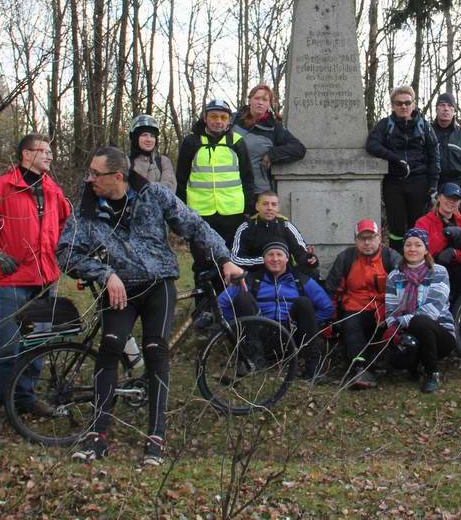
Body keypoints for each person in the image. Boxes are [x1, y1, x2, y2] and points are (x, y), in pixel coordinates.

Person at [58, 146, 242, 464]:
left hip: (159, 284)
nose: (90, 179)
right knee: (110, 347)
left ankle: (156, 437)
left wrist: (224, 258)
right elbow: (65, 252)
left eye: (96, 174)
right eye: (90, 173)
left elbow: (194, 225)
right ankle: (96, 436)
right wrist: (105, 274)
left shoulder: (154, 195)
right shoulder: (87, 207)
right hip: (120, 289)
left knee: (156, 351)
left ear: (118, 176)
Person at [0, 134, 71, 438]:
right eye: (44, 151)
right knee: (8, 343)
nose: (50, 156)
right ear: (26, 154)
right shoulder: (3, 187)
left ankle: (25, 398)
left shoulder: (52, 189)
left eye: (50, 151)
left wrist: (64, 254)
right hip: (15, 280)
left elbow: (66, 224)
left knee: (39, 342)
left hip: (46, 280)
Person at [218, 240, 335, 380]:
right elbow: (221, 303)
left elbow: (327, 308)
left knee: (303, 302)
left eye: (279, 254)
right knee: (243, 297)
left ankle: (312, 368)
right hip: (258, 334)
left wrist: (307, 324)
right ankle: (256, 361)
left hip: (292, 336)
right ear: (264, 259)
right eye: (270, 255)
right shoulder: (250, 280)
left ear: (287, 258)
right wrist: (236, 325)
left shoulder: (301, 280)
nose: (275, 259)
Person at [176, 98, 256, 283]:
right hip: (200, 214)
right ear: (205, 118)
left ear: (229, 120)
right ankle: (205, 300)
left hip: (232, 213)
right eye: (213, 116)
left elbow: (247, 178)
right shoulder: (191, 142)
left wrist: (248, 208)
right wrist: (181, 212)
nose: (218, 121)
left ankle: (229, 299)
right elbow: (181, 179)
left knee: (231, 261)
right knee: (203, 262)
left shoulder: (237, 142)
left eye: (223, 117)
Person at [324, 219, 402, 390]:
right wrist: (329, 320)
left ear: (379, 238)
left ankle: (385, 364)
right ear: (355, 241)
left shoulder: (391, 257)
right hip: (355, 309)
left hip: (384, 311)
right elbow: (331, 291)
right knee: (351, 322)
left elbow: (404, 290)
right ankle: (359, 368)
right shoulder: (345, 258)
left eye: (371, 237)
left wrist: (389, 311)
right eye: (362, 238)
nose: (367, 243)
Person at [365, 85, 440, 253]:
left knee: (418, 226)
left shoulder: (424, 126)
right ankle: (396, 260)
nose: (404, 106)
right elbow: (371, 144)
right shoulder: (385, 125)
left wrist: (433, 185)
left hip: (419, 181)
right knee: (396, 228)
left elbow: (435, 156)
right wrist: (394, 158)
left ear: (413, 104)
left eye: (407, 103)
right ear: (393, 105)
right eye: (399, 103)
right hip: (394, 182)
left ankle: (418, 262)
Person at [383, 227, 456, 393]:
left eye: (418, 245)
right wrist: (393, 328)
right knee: (397, 360)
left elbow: (432, 310)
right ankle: (413, 366)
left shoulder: (438, 272)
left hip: (440, 334)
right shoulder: (394, 276)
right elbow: (390, 309)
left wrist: (400, 322)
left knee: (420, 321)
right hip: (408, 333)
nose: (412, 249)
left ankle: (432, 373)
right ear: (403, 248)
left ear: (426, 249)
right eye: (408, 245)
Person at [414, 182, 461, 309]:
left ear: (459, 202)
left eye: (455, 199)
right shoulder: (423, 222)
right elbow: (419, 252)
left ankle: (460, 309)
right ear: (439, 198)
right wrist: (444, 237)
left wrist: (455, 253)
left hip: (457, 267)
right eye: (448, 197)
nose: (451, 202)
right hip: (432, 267)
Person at [233, 84, 307, 196]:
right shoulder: (233, 120)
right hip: (230, 187)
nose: (260, 103)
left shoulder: (274, 127)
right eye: (257, 98)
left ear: (269, 104)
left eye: (265, 100)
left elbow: (299, 149)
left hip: (258, 191)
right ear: (250, 100)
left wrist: (271, 154)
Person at [230, 190, 318, 278]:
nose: (269, 208)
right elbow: (235, 258)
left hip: (285, 274)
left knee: (312, 272)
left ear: (278, 208)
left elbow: (300, 253)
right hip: (256, 275)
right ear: (257, 206)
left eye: (273, 204)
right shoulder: (246, 227)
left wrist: (309, 259)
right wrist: (266, 260)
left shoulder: (286, 226)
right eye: (265, 204)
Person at [128, 114, 175, 192]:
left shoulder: (163, 162)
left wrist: (140, 185)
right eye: (144, 135)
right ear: (135, 138)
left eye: (152, 136)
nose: (149, 139)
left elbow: (168, 190)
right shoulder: (125, 162)